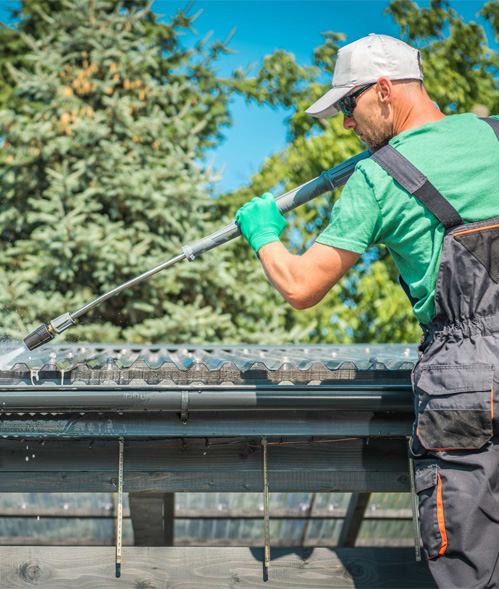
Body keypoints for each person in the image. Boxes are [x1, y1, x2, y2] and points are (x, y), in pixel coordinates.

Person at [235, 33, 499, 589]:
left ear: (383, 90)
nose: (347, 124)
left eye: (348, 106)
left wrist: (264, 234)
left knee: (472, 568)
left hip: (470, 379)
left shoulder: (379, 178)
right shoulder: (494, 134)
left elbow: (301, 286)